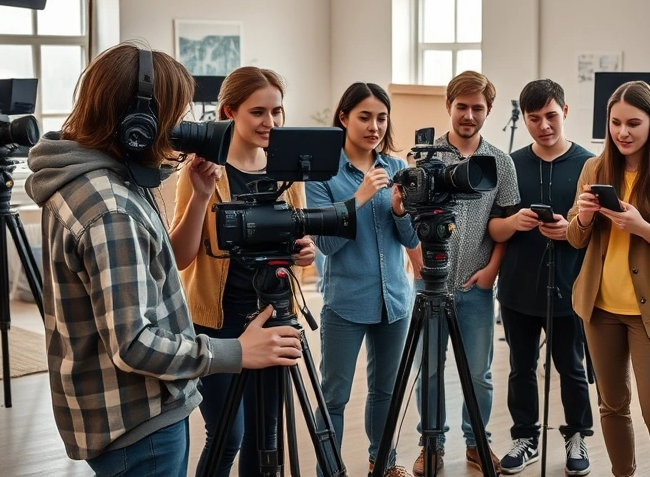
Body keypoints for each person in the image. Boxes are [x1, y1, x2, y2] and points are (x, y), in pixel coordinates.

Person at [24, 43, 302, 476]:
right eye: (173, 117)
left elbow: (156, 267)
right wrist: (235, 352)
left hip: (126, 412)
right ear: (138, 123)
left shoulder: (100, 181)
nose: (179, 132)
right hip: (138, 421)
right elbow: (134, 342)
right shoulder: (111, 207)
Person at [167, 66, 318, 476]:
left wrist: (304, 252)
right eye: (258, 112)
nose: (270, 122)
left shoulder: (288, 169)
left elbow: (297, 237)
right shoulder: (200, 171)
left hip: (273, 316)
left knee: (266, 434)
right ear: (230, 112)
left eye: (277, 111)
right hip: (217, 322)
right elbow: (180, 256)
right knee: (227, 435)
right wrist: (200, 197)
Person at [566, 80, 650, 477]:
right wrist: (586, 217)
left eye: (633, 123)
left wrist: (642, 226)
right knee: (611, 405)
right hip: (599, 307)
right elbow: (576, 239)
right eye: (615, 123)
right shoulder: (594, 167)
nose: (623, 132)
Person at [412, 70, 520, 477]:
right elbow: (404, 215)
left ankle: (477, 445)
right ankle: (431, 447)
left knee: (479, 373)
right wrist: (413, 259)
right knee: (431, 371)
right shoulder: (424, 156)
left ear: (489, 111)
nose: (469, 115)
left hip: (476, 285)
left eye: (478, 108)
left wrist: (492, 268)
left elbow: (506, 222)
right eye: (462, 107)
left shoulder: (501, 163)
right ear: (448, 106)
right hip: (429, 283)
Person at [306, 82, 417, 477]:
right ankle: (328, 470)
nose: (375, 126)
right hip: (346, 301)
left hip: (396, 301)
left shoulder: (398, 169)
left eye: (382, 118)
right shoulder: (323, 174)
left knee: (386, 392)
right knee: (333, 396)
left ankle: (383, 462)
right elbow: (325, 244)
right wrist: (359, 198)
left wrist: (403, 212)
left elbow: (410, 240)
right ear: (344, 118)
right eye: (365, 117)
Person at [490, 79, 594, 475]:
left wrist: (570, 232)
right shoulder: (510, 164)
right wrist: (514, 222)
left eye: (551, 116)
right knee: (520, 367)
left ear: (565, 112)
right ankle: (525, 437)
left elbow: (599, 232)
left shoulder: (589, 164)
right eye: (534, 119)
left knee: (572, 366)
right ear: (524, 119)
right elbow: (493, 229)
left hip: (571, 286)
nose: (544, 125)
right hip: (517, 287)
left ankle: (577, 436)